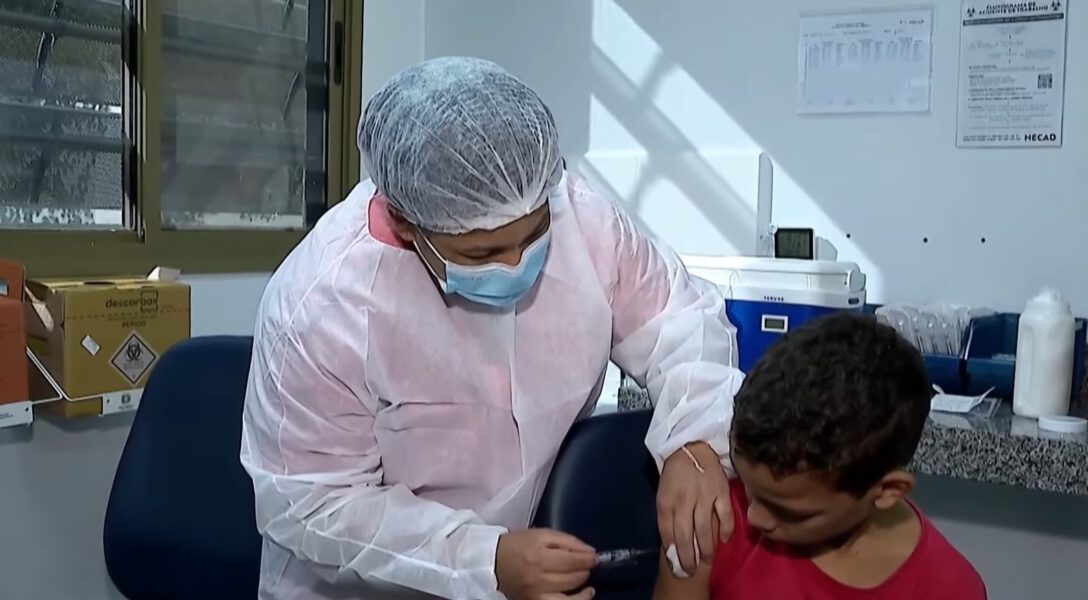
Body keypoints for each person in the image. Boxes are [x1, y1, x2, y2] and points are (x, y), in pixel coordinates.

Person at [241, 57, 743, 600]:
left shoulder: (581, 220)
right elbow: (312, 504)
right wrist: (484, 560)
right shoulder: (323, 306)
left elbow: (680, 318)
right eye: (481, 252)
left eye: (533, 236)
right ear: (407, 223)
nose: (515, 264)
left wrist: (695, 439)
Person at [653, 313, 987, 600]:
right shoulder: (709, 523)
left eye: (789, 512)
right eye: (750, 488)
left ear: (886, 491)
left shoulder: (949, 587)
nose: (755, 517)